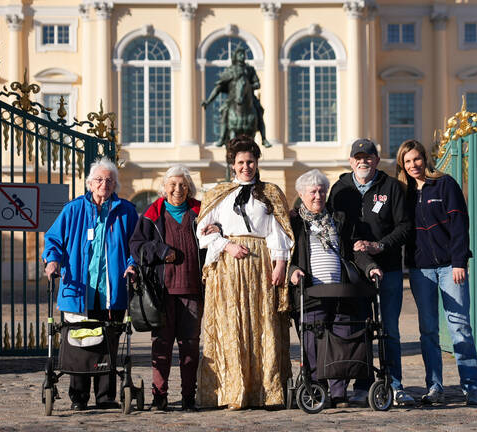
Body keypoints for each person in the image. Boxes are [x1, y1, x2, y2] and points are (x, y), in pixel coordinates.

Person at [195, 135, 293, 409]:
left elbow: (279, 231)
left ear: (257, 162)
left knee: (263, 324)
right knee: (232, 324)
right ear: (233, 164)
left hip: (262, 265)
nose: (246, 166)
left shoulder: (270, 193)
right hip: (228, 270)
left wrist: (281, 263)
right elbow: (202, 233)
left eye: (250, 161)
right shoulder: (219, 194)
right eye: (240, 162)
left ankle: (264, 391)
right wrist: (226, 244)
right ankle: (232, 391)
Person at [42, 157, 138, 411]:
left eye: (109, 180)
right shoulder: (73, 209)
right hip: (79, 290)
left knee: (109, 342)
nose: (104, 184)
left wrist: (132, 264)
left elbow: (135, 245)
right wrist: (52, 261)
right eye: (99, 179)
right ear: (89, 183)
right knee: (79, 343)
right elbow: (53, 239)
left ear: (115, 184)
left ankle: (106, 396)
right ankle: (79, 397)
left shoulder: (126, 211)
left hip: (112, 290)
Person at [396, 139, 477, 406]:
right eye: (408, 161)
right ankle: (435, 386)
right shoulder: (403, 192)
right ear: (403, 164)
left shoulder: (445, 184)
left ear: (425, 159)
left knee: (460, 327)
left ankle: (471, 387)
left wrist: (459, 261)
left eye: (417, 159)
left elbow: (459, 224)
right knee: (429, 331)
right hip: (421, 270)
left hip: (449, 267)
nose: (413, 165)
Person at [327, 138, 412, 406]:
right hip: (352, 272)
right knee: (358, 328)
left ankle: (394, 384)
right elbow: (329, 225)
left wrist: (379, 245)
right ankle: (361, 383)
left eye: (368, 157)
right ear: (351, 161)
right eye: (358, 157)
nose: (363, 161)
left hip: (387, 268)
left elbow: (405, 226)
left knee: (389, 330)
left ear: (376, 159)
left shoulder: (391, 187)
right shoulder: (340, 188)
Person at [288, 169, 383, 408]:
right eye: (313, 192)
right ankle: (316, 389)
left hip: (341, 292)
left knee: (341, 339)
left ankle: (339, 393)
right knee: (312, 342)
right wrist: (292, 272)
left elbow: (353, 249)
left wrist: (370, 266)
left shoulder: (339, 219)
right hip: (310, 294)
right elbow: (285, 255)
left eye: (322, 191)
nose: (318, 196)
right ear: (301, 194)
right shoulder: (293, 223)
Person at [128, 165, 204, 412]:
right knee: (161, 345)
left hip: (192, 290)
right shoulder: (152, 214)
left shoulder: (200, 212)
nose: (177, 189)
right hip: (162, 292)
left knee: (190, 346)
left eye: (182, 185)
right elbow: (137, 247)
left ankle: (188, 396)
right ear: (164, 188)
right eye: (172, 185)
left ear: (189, 188)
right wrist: (161, 251)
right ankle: (159, 396)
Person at [201, 47, 269, 147]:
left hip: (248, 98)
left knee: (259, 112)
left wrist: (249, 86)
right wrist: (208, 101)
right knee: (225, 113)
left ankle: (264, 139)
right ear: (235, 57)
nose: (242, 56)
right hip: (232, 100)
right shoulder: (230, 70)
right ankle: (222, 137)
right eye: (240, 54)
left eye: (243, 54)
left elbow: (257, 84)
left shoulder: (249, 70)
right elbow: (218, 88)